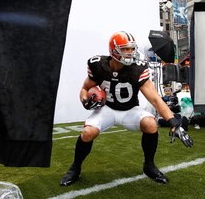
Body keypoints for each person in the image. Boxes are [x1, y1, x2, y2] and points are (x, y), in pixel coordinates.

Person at [60, 31, 193, 186]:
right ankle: (75, 168)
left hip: (129, 110)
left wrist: (173, 123)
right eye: (125, 49)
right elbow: (84, 89)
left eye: (132, 49)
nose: (130, 53)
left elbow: (155, 99)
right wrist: (85, 100)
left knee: (150, 124)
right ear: (113, 50)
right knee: (88, 132)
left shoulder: (137, 68)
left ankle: (149, 166)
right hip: (106, 110)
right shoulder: (98, 65)